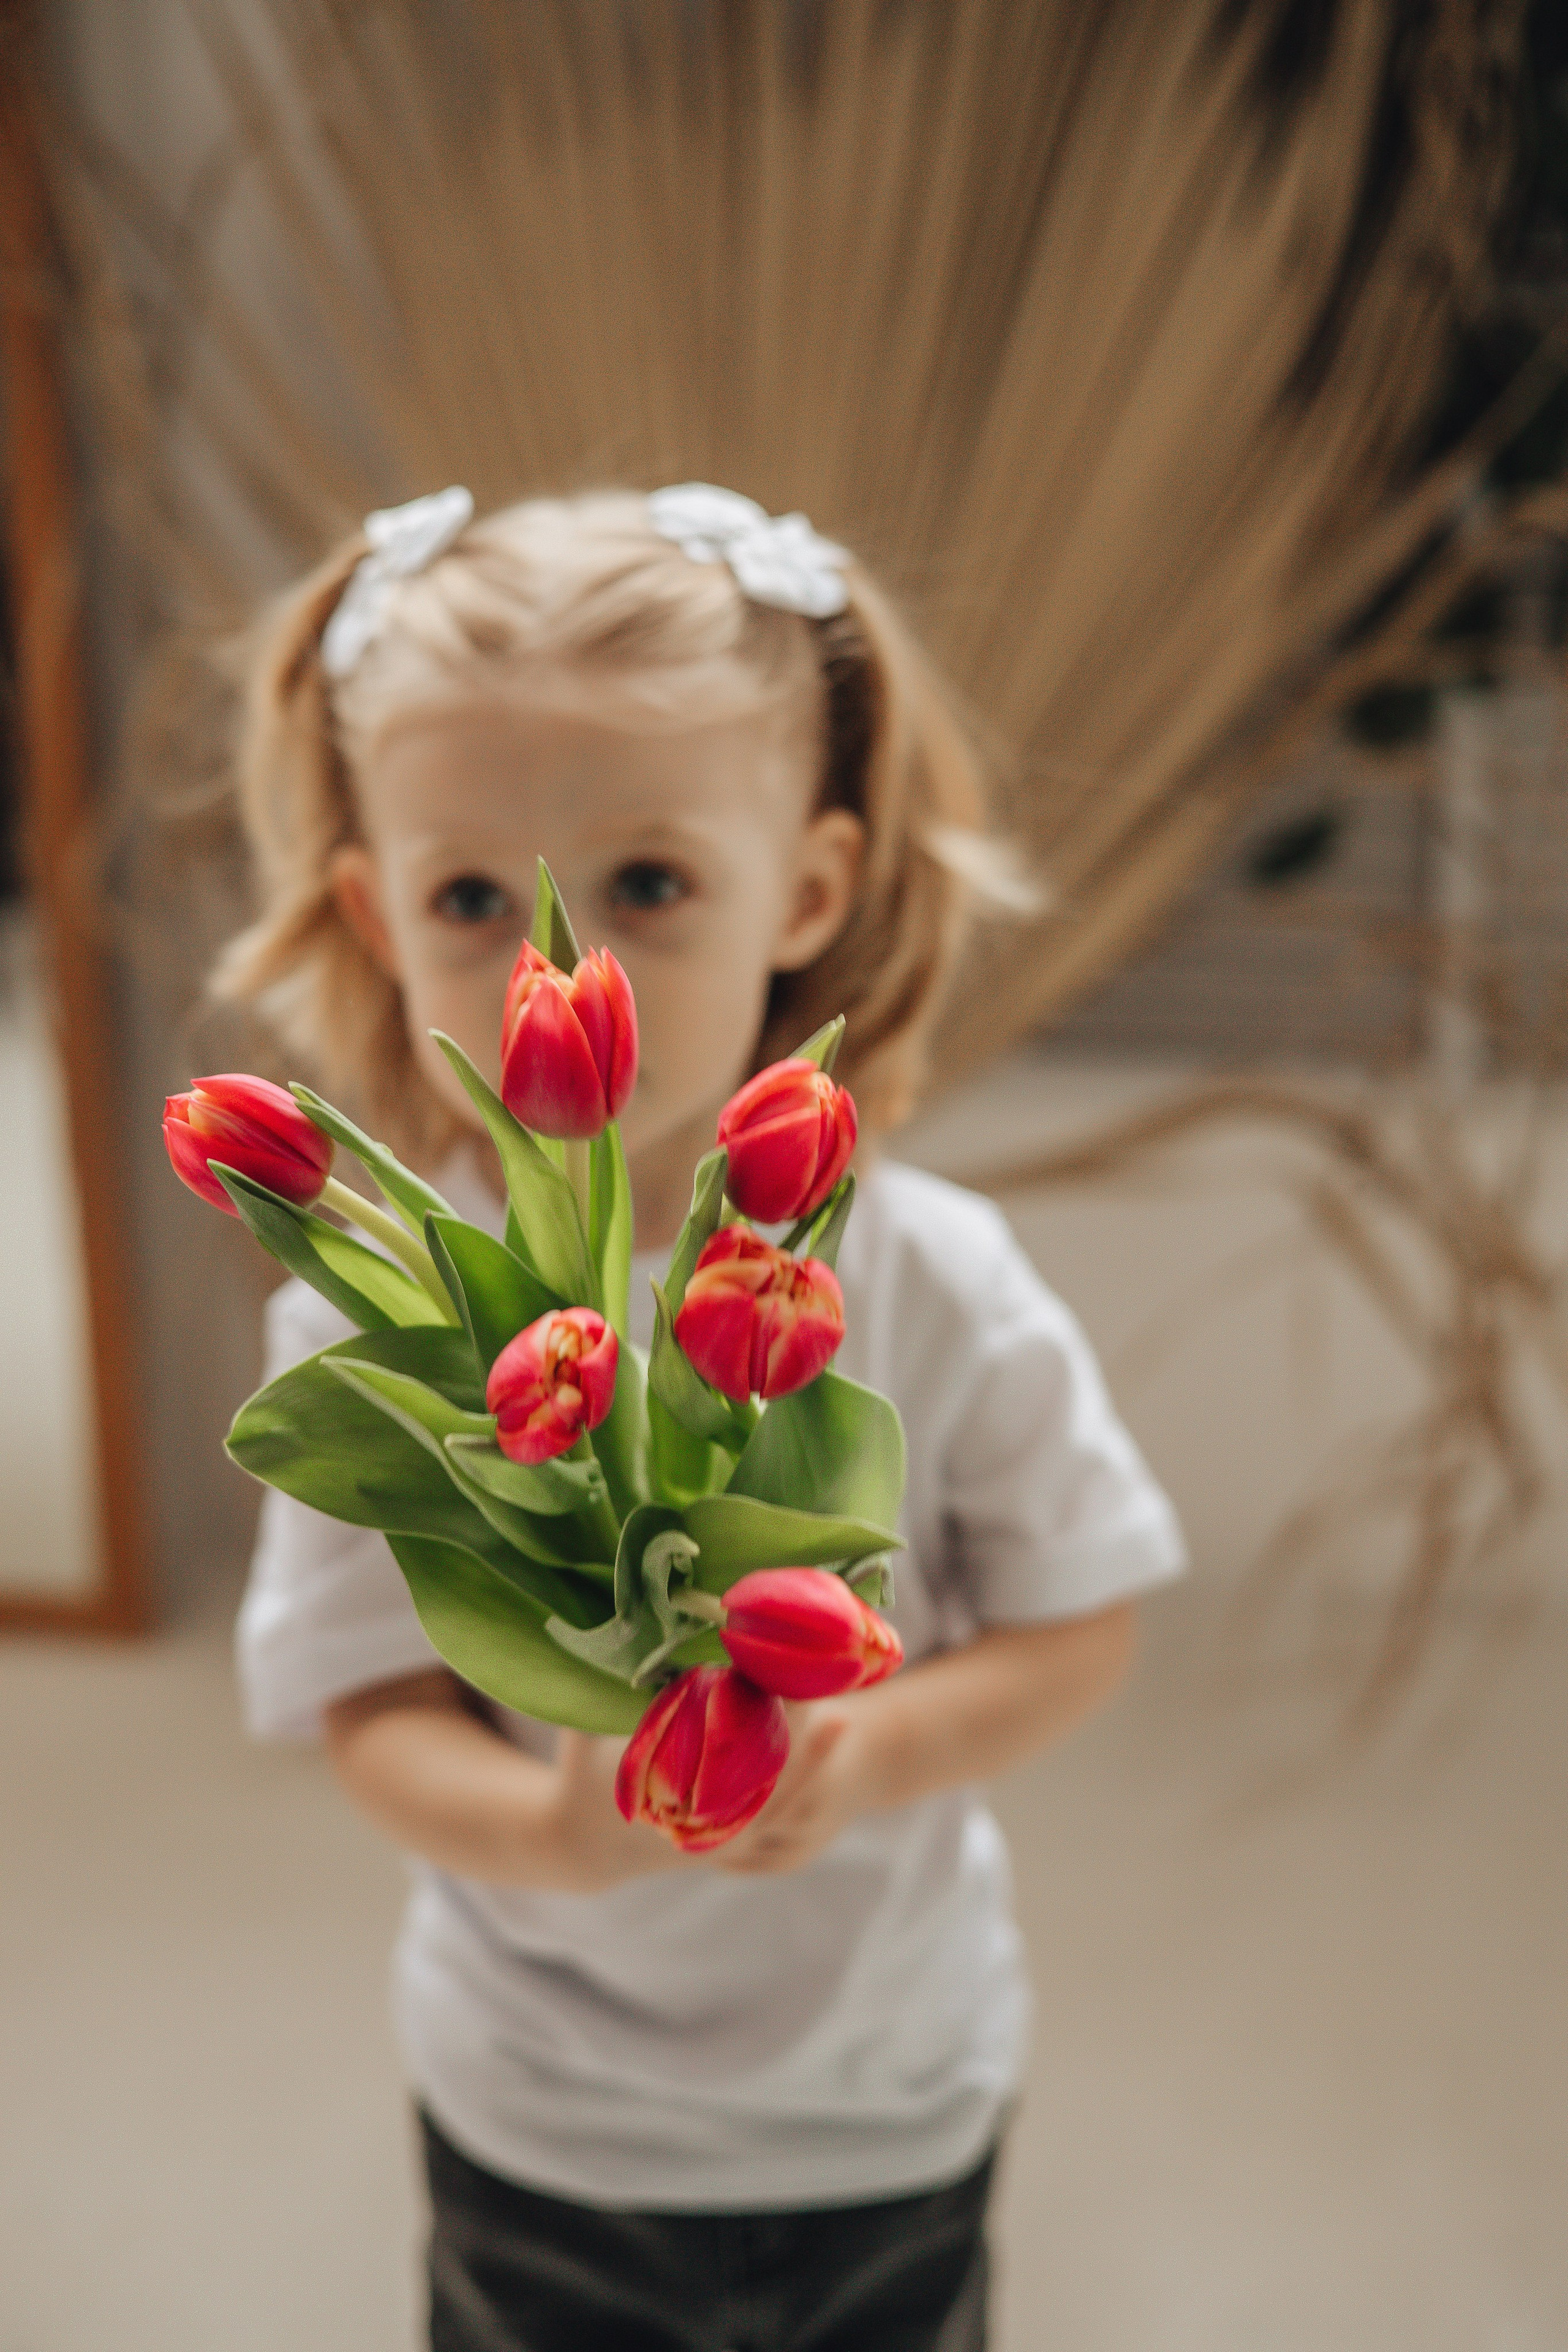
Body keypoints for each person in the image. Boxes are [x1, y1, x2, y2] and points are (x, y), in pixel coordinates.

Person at [222, 483, 1185, 2352]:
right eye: (469, 895)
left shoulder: (939, 1279)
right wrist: (551, 1832)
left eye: (646, 885)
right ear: (370, 909)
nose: (547, 961)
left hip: (889, 2084)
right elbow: (370, 1717)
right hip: (541, 2105)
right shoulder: (371, 1333)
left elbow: (1084, 1627)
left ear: (807, 892)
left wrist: (876, 1750)